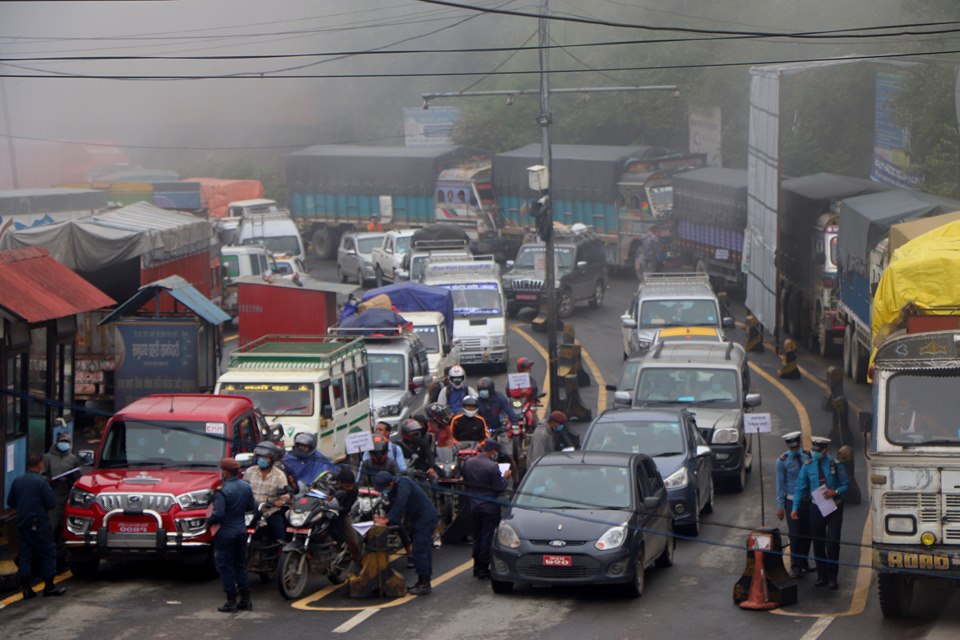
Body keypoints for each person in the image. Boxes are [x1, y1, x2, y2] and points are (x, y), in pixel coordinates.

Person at [791, 436, 849, 590]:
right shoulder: (808, 466)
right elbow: (800, 487)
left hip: (834, 508)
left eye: (818, 451)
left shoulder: (836, 465)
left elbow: (845, 485)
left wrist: (834, 491)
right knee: (818, 543)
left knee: (832, 543)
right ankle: (821, 575)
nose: (815, 454)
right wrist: (795, 507)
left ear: (825, 450)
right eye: (813, 451)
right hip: (816, 507)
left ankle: (832, 577)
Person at [7, 453, 65, 599]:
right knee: (47, 553)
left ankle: (26, 589)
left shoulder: (17, 481)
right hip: (39, 523)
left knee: (25, 554)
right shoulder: (42, 482)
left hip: (22, 523)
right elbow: (51, 503)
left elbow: (11, 502)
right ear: (39, 465)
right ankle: (49, 586)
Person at [373, 471, 439, 595]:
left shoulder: (404, 483)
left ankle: (424, 584)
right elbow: (393, 507)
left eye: (384, 488)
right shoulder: (393, 490)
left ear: (390, 483)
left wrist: (387, 519)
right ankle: (423, 581)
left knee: (419, 550)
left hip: (426, 518)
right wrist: (384, 518)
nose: (384, 491)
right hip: (417, 519)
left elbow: (400, 503)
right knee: (424, 549)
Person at [209, 458, 257, 612]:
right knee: (240, 565)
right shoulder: (245, 486)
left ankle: (231, 602)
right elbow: (251, 506)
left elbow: (218, 513)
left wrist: (208, 522)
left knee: (225, 566)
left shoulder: (222, 490)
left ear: (225, 472)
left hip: (226, 533)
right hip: (241, 531)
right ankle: (246, 600)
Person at [461, 440, 511, 580]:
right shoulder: (492, 467)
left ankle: (476, 566)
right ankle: (483, 568)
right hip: (489, 507)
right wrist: (505, 478)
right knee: (487, 537)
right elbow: (498, 488)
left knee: (477, 536)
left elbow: (465, 481)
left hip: (474, 505)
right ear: (493, 452)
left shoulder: (468, 463)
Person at [43, 432, 82, 571]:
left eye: (66, 441)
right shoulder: (47, 458)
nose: (64, 443)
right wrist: (49, 481)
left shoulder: (73, 459)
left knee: (64, 532)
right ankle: (48, 561)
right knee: (50, 530)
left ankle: (62, 560)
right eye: (62, 441)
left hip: (66, 497)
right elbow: (42, 475)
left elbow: (78, 479)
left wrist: (71, 479)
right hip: (52, 498)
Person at [775, 431, 812, 578]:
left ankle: (804, 561)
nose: (795, 449)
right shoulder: (782, 461)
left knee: (808, 533)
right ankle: (795, 565)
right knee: (795, 534)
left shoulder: (807, 456)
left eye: (796, 446)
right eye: (792, 448)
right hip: (791, 501)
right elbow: (780, 484)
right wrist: (780, 505)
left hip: (807, 501)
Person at [242, 441, 291, 544]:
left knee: (280, 536)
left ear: (272, 459)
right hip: (251, 511)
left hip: (269, 511)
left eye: (265, 457)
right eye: (260, 457)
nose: (262, 460)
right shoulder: (250, 471)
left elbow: (285, 495)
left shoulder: (279, 475)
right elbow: (243, 490)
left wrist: (281, 501)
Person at [331, 467, 363, 566]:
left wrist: (337, 505)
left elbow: (346, 508)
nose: (349, 488)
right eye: (347, 486)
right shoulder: (331, 485)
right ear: (339, 483)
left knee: (354, 541)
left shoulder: (354, 490)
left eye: (351, 485)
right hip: (327, 512)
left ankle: (358, 563)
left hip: (343, 514)